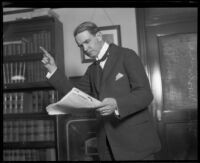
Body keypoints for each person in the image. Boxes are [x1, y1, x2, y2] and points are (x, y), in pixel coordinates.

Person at [41, 21, 161, 161]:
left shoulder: (127, 55)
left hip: (136, 144)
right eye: (81, 46)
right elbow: (74, 94)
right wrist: (53, 69)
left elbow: (145, 94)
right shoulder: (92, 70)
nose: (85, 48)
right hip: (106, 146)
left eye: (87, 42)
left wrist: (116, 104)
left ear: (98, 36)